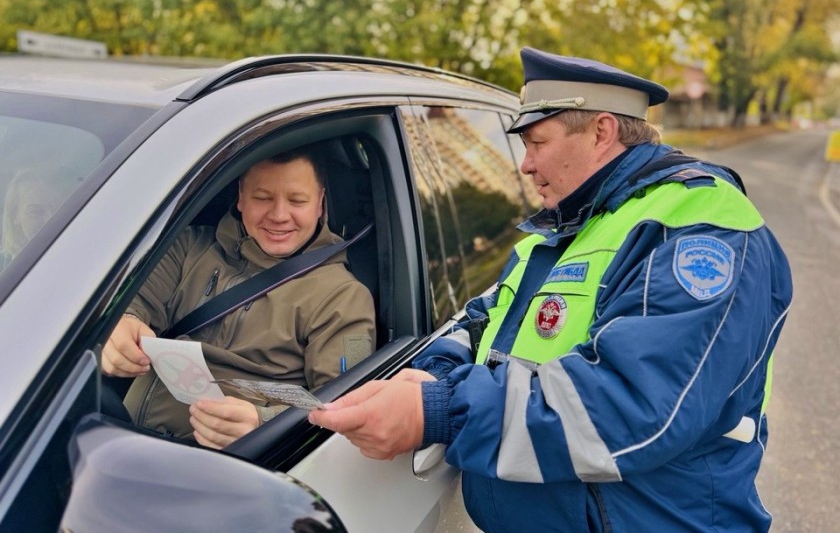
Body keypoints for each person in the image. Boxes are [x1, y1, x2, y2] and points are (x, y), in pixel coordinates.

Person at [310, 47, 793, 532]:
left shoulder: (701, 230)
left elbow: (632, 407)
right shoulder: (565, 230)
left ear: (601, 132)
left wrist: (438, 411)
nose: (525, 165)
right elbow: (479, 324)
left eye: (537, 143)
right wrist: (434, 375)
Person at [103, 147, 376, 449]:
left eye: (297, 201)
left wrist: (263, 423)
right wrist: (122, 324)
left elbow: (344, 407)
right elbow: (134, 302)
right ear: (241, 198)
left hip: (229, 463)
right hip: (120, 435)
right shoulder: (189, 246)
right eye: (262, 198)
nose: (279, 215)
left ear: (320, 204)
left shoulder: (343, 297)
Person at [1, 164, 81, 270]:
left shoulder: (82, 252)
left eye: (57, 209)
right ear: (14, 217)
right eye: (35, 212)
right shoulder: (13, 274)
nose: (49, 218)